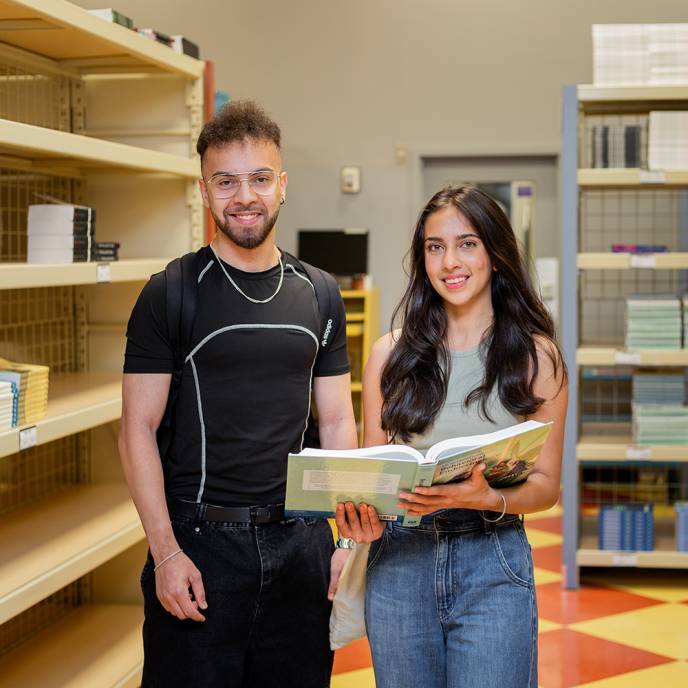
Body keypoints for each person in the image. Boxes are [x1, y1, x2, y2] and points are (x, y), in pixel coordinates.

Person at [119, 100, 363, 688]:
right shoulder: (170, 293)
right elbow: (136, 431)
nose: (244, 196)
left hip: (301, 544)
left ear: (282, 186)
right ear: (205, 190)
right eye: (226, 181)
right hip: (200, 548)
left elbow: (335, 421)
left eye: (258, 179)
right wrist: (167, 554)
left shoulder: (319, 293)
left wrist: (347, 539)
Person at [358, 185, 568, 688]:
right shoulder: (389, 356)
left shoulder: (538, 359)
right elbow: (368, 482)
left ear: (495, 254)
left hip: (492, 558)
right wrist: (357, 521)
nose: (450, 261)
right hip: (399, 564)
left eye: (467, 243)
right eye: (435, 247)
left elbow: (546, 487)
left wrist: (487, 496)